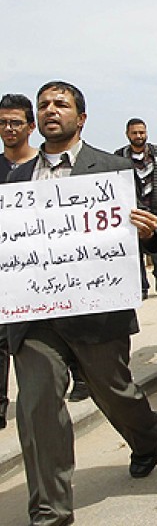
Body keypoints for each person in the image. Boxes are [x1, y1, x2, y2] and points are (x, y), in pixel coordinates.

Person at [7, 81, 157, 526]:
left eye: (61, 104)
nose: (50, 111)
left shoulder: (112, 169)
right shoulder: (17, 178)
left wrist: (146, 230)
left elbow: (144, 230)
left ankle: (147, 431)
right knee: (37, 405)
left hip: (96, 312)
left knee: (113, 393)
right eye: (43, 105)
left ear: (82, 116)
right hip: (36, 318)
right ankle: (50, 512)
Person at [0, 93, 38, 429]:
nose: (9, 128)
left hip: (44, 273)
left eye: (15, 122)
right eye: (3, 123)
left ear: (31, 126)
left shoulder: (47, 168)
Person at [115, 118, 157, 299]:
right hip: (131, 212)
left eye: (142, 132)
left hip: (154, 209)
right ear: (127, 134)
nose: (139, 136)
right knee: (135, 252)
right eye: (135, 133)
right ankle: (142, 287)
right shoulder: (119, 156)